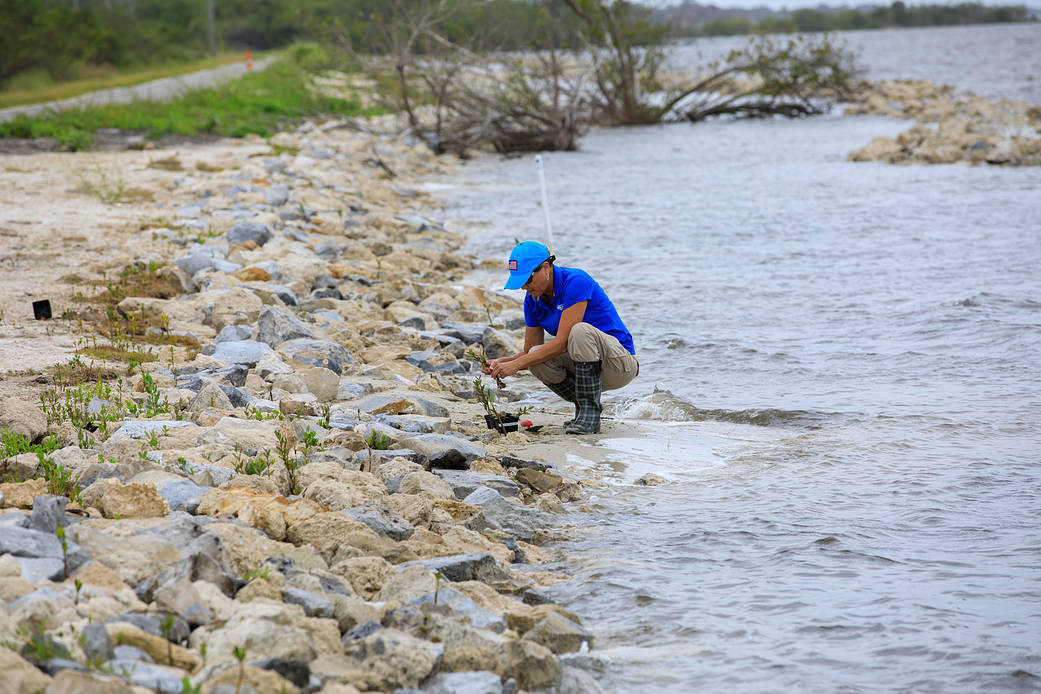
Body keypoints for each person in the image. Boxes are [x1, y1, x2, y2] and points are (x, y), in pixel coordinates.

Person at [483, 241, 638, 434]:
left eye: (528, 280)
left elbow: (562, 343)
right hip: (586, 368)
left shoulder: (576, 281)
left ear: (546, 268)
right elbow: (528, 352)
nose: (524, 287)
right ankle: (584, 412)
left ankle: (590, 414)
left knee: (579, 331)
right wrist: (500, 363)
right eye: (520, 282)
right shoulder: (532, 300)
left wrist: (515, 365)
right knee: (535, 356)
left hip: (619, 364)